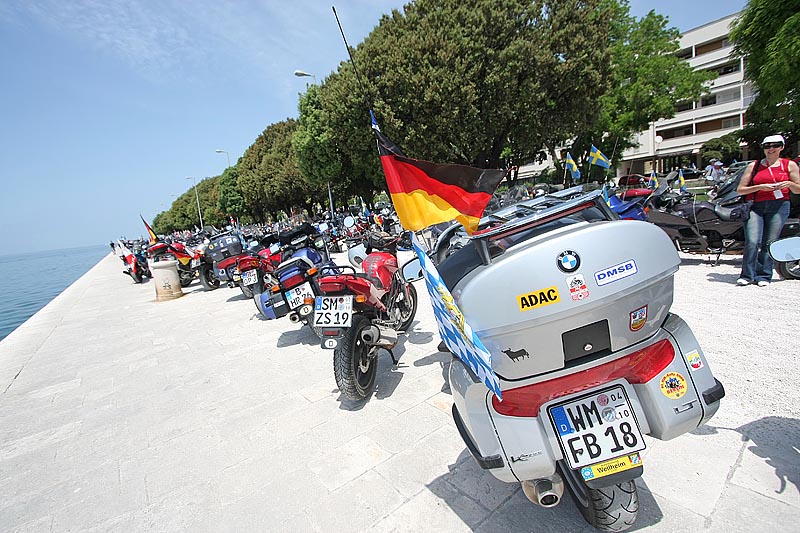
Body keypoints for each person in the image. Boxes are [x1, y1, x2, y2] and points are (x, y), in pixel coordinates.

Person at [736, 134, 800, 286]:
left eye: (775, 145)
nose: (771, 149)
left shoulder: (789, 165)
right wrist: (759, 187)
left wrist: (789, 184)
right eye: (767, 146)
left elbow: (798, 190)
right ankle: (747, 275)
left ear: (781, 147)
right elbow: (740, 190)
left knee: (770, 242)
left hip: (779, 206)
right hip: (756, 206)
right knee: (752, 241)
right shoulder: (755, 165)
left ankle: (764, 275)